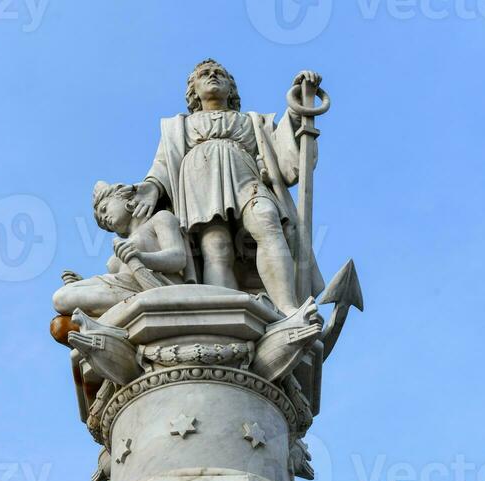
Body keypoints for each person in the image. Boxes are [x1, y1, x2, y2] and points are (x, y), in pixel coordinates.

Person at [130, 59, 324, 315]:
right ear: (194, 92)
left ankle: (286, 305)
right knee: (216, 247)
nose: (212, 75)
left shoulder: (253, 121)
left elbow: (283, 151)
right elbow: (164, 164)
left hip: (246, 176)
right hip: (199, 181)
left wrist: (299, 106)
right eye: (204, 74)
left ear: (231, 90)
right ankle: (225, 312)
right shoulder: (178, 126)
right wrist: (152, 186)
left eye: (219, 73)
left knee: (267, 219)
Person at [52, 181, 193, 320]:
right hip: (124, 288)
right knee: (64, 297)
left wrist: (141, 257)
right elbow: (116, 284)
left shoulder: (160, 219)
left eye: (104, 209)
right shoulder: (119, 250)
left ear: (126, 198)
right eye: (102, 222)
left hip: (152, 285)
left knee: (62, 298)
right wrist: (82, 284)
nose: (105, 219)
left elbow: (178, 258)